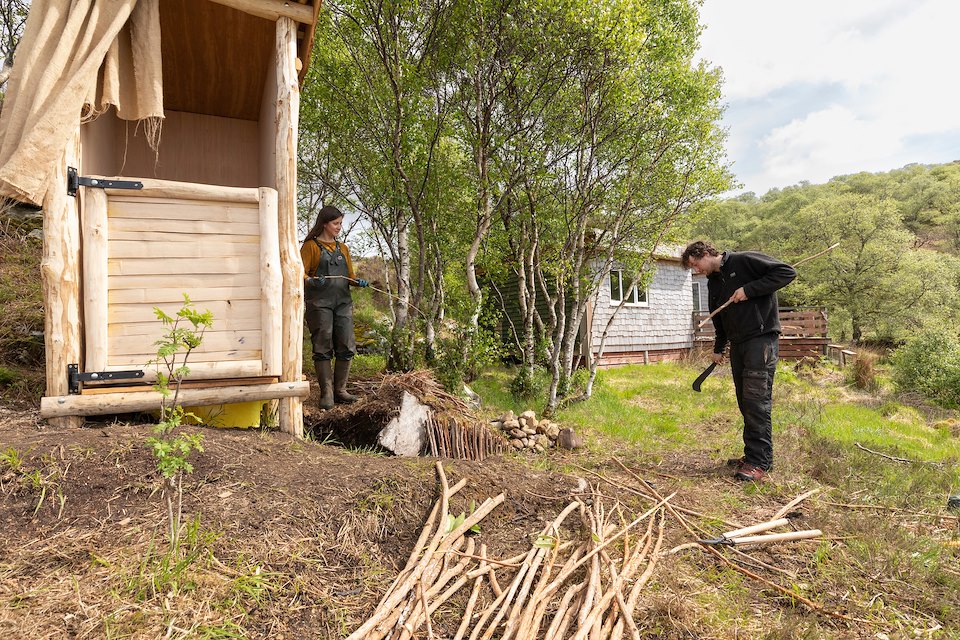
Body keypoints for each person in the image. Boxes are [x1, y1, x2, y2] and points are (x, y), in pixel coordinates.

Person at [681, 240, 796, 482]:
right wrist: (719, 348)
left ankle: (759, 462)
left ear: (705, 253)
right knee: (745, 401)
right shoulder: (713, 282)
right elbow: (720, 319)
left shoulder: (743, 261)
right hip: (739, 344)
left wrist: (749, 290)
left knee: (756, 401)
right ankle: (755, 455)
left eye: (696, 264)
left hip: (760, 341)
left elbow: (786, 272)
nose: (696, 270)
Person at [301, 205, 369, 410]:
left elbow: (349, 276)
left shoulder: (343, 248)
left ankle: (341, 391)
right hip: (319, 304)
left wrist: (357, 282)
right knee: (323, 346)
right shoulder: (310, 247)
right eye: (336, 223)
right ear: (324, 224)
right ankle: (327, 393)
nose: (339, 227)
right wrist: (311, 281)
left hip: (343, 303)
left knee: (346, 345)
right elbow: (299, 273)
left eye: (340, 223)